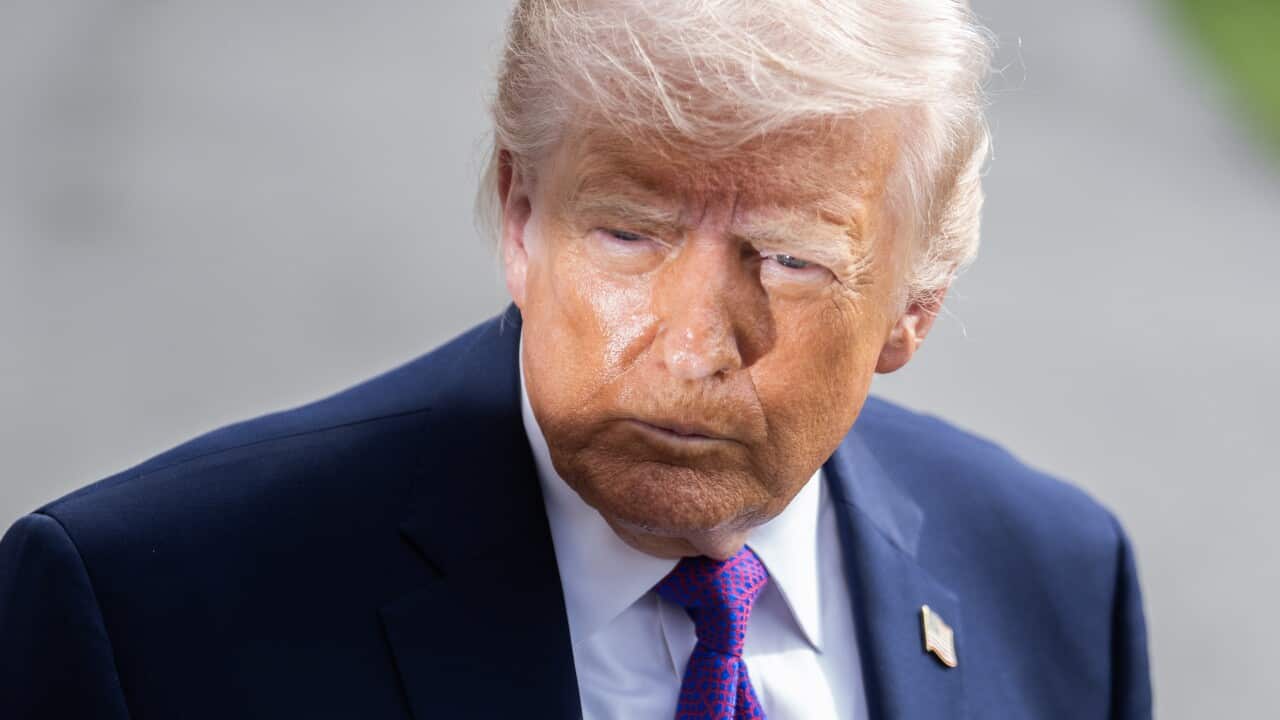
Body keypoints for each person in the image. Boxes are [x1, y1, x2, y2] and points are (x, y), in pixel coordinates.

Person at [0, 1, 1152, 718]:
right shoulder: (143, 617)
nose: (691, 341)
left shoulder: (1054, 582)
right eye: (628, 232)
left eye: (788, 258)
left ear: (915, 303)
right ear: (517, 214)